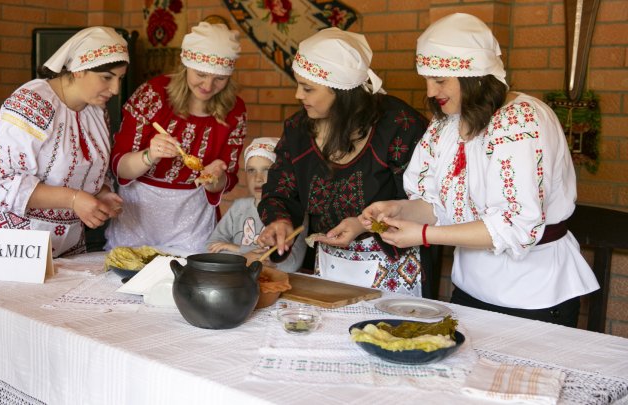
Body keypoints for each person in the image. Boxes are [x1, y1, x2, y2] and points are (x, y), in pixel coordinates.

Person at [361, 13, 599, 326]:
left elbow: (514, 224)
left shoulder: (520, 121)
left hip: (534, 295)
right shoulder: (447, 124)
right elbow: (439, 206)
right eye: (427, 79)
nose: (431, 92)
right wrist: (398, 208)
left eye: (440, 80)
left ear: (474, 75)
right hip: (471, 290)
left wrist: (423, 235)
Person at [256, 28, 427, 294]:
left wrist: (362, 224)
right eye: (298, 84)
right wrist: (279, 221)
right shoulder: (299, 129)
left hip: (394, 268)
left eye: (308, 88)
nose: (297, 95)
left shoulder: (399, 126)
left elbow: (425, 204)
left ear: (341, 91)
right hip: (328, 266)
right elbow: (279, 190)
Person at [0, 27, 129, 261]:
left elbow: (91, 170)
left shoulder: (96, 112)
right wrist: (73, 200)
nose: (115, 89)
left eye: (120, 78)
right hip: (11, 241)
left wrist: (100, 193)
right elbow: (0, 182)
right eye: (107, 77)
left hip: (64, 243)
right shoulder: (32, 103)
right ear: (79, 70)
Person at [105, 22, 247, 254]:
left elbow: (227, 180)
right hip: (139, 211)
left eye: (219, 79)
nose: (208, 86)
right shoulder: (152, 94)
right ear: (186, 65)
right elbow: (119, 168)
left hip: (192, 217)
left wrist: (215, 178)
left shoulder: (235, 110)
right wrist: (149, 156)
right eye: (200, 74)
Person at [206, 137, 307, 273]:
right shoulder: (239, 207)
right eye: (251, 170)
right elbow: (210, 248)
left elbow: (291, 264)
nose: (258, 178)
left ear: (281, 176)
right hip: (238, 280)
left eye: (267, 170)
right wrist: (245, 258)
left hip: (276, 285)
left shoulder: (296, 213)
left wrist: (237, 250)